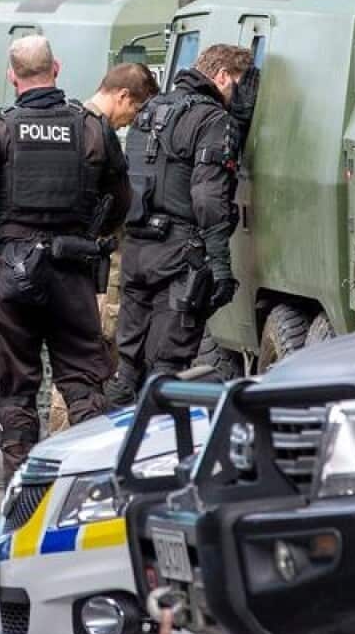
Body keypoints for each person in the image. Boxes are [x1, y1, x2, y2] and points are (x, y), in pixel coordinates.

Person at [0, 35, 130, 476]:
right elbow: (121, 199)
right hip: (73, 269)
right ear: (58, 67)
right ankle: (94, 482)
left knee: (15, 384)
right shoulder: (92, 127)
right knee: (83, 381)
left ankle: (22, 489)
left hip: (12, 275)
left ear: (11, 75)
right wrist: (88, 234)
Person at [106, 45, 259, 404]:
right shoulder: (211, 120)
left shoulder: (150, 111)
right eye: (236, 84)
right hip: (179, 258)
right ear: (221, 76)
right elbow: (208, 197)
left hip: (138, 254)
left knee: (128, 368)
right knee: (167, 371)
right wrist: (220, 262)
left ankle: (115, 451)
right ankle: (157, 454)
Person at [47, 63, 159, 433]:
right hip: (96, 272)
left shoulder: (72, 126)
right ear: (123, 96)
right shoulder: (99, 134)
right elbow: (116, 207)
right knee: (87, 363)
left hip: (73, 266)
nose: (132, 120)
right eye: (135, 109)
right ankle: (70, 450)